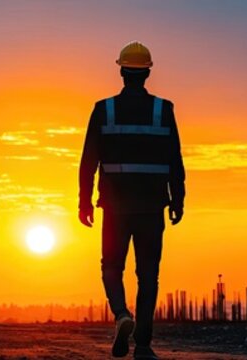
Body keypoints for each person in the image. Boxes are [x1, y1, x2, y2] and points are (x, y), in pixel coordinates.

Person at [78, 41, 185, 360]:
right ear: (147, 73)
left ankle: (122, 314)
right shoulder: (163, 110)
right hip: (152, 206)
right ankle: (143, 343)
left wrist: (84, 201)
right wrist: (178, 198)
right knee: (148, 273)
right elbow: (174, 158)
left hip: (115, 206)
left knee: (111, 266)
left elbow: (88, 161)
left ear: (122, 72)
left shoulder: (104, 109)